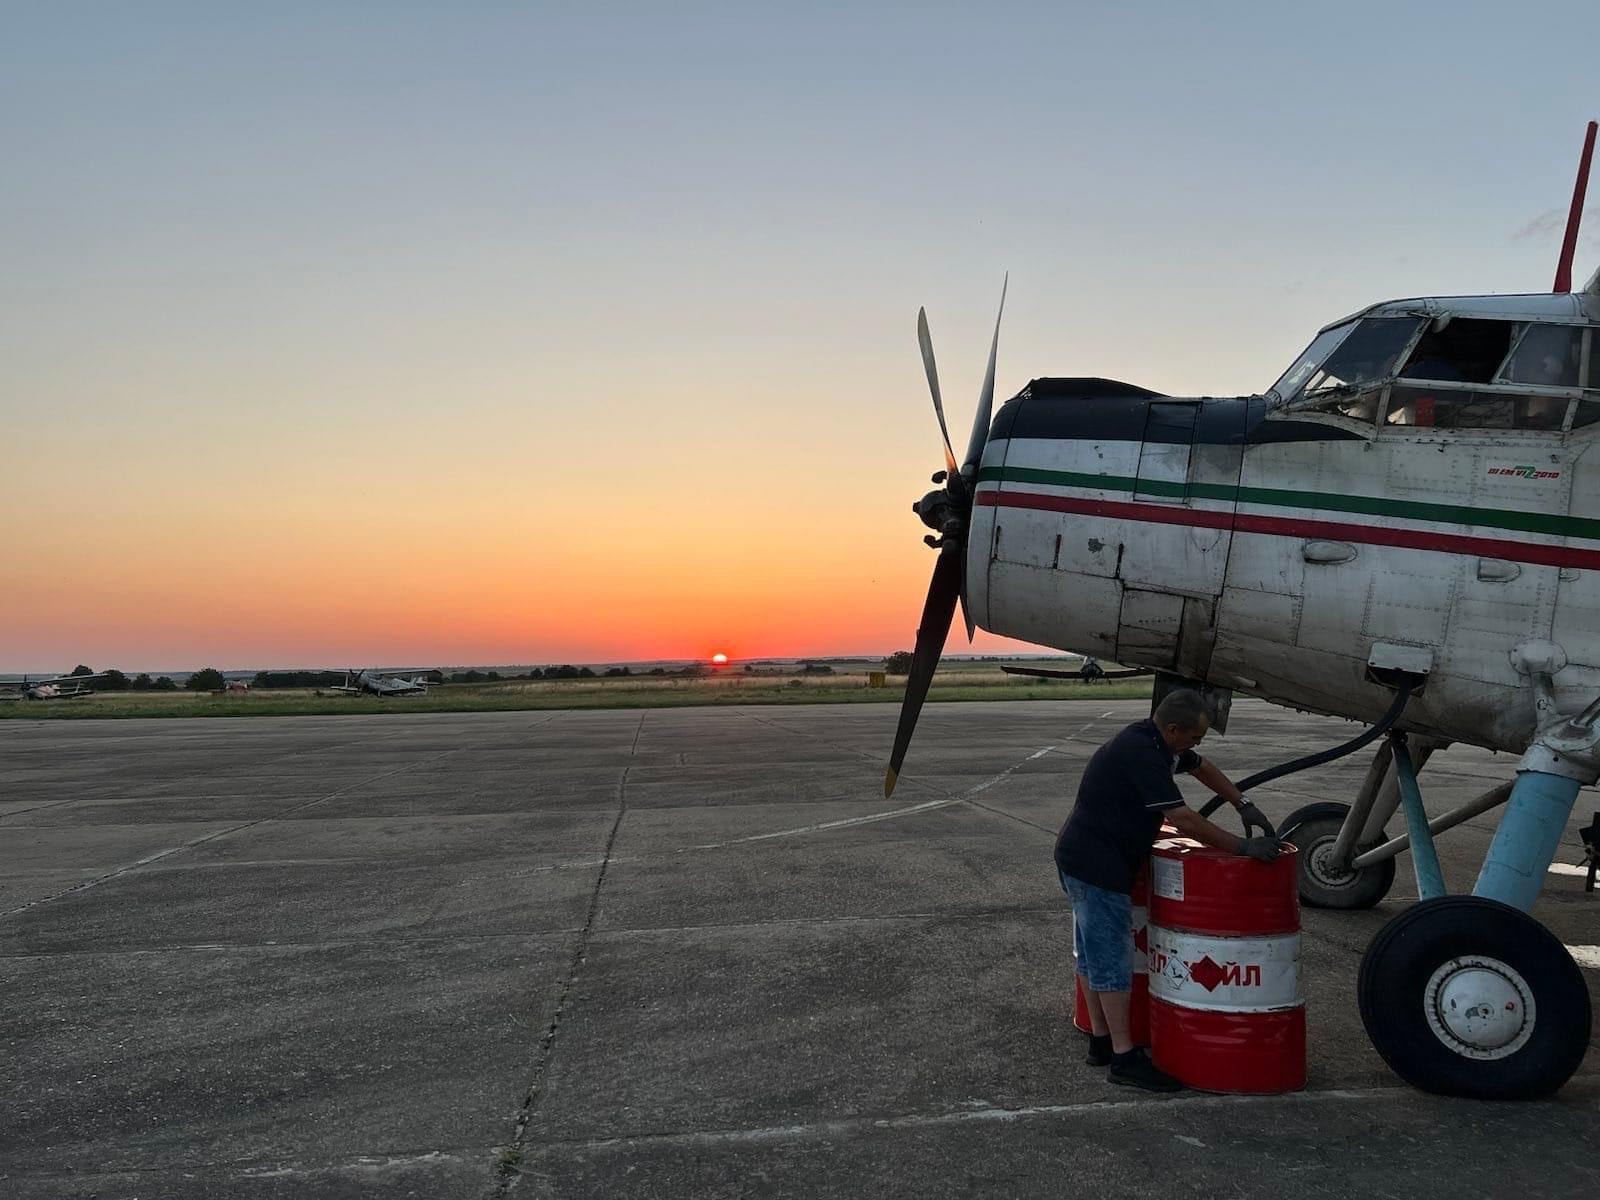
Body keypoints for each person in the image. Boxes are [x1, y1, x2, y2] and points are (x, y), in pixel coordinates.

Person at [1055, 689, 1281, 1092]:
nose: (1196, 745)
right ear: (1173, 729)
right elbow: (1182, 818)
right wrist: (1242, 847)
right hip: (1095, 865)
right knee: (1110, 959)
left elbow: (1200, 766)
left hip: (1081, 857)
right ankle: (1124, 1059)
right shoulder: (1142, 753)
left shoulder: (1159, 742)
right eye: (1193, 737)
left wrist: (1241, 802)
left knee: (1091, 954)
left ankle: (1101, 1043)